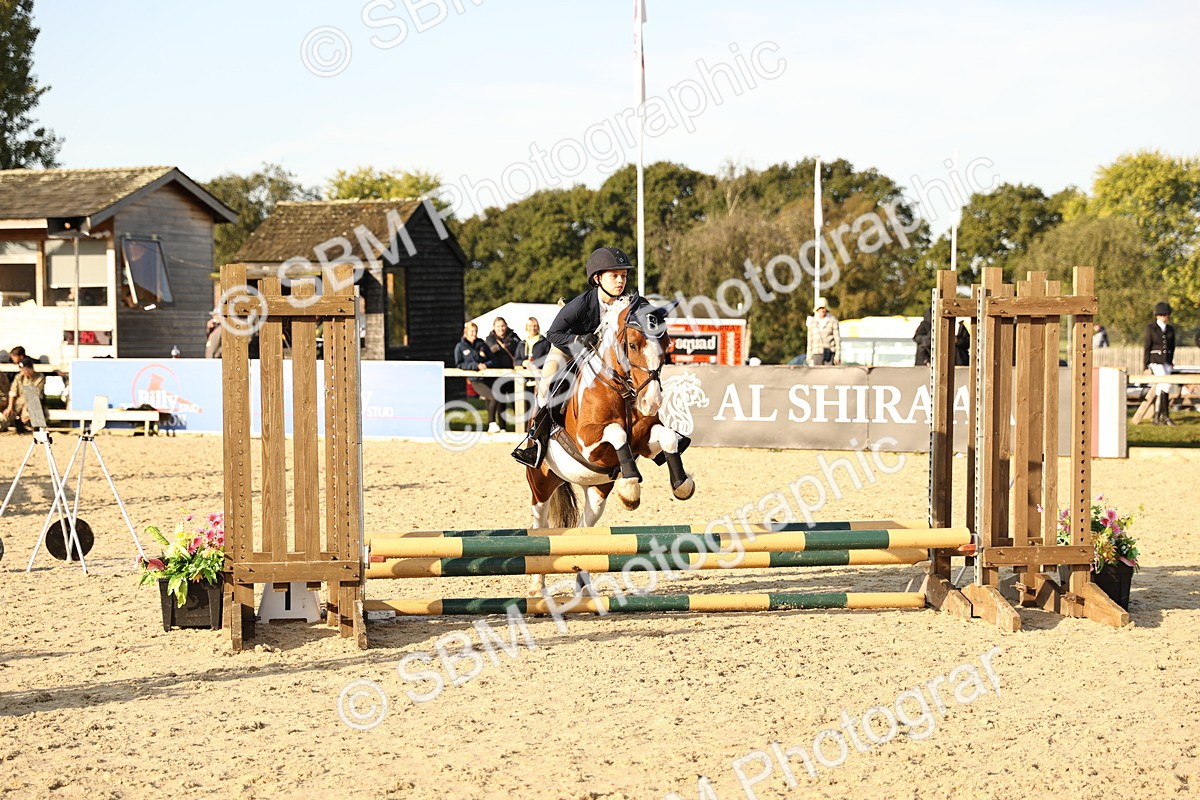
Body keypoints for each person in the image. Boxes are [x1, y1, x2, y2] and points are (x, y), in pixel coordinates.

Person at [512, 246, 643, 467]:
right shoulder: (582, 303)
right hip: (567, 351)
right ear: (597, 278)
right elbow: (553, 334)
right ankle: (534, 443)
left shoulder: (626, 303)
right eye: (615, 276)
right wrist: (578, 340)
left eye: (624, 276)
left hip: (602, 357)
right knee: (546, 386)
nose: (621, 281)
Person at [484, 317, 521, 433]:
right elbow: (488, 350)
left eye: (503, 326)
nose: (501, 328)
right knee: (500, 402)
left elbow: (520, 349)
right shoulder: (490, 339)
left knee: (516, 401)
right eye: (498, 326)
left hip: (512, 375)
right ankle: (502, 427)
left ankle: (522, 427)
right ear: (494, 327)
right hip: (497, 376)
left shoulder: (514, 337)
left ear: (506, 325)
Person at [1143, 301, 1176, 425]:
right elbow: (1147, 346)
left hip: (1166, 361)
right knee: (1165, 384)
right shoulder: (1151, 328)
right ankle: (1165, 416)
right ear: (1157, 315)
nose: (1164, 317)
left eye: (1166, 314)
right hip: (1155, 361)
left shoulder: (1170, 329)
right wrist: (1145, 365)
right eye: (1162, 314)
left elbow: (1172, 347)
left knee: (1160, 388)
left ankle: (1157, 416)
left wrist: (1171, 361)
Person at [6, 356, 45, 433]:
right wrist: (10, 407)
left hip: (34, 401)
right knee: (7, 415)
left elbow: (35, 395)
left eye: (25, 369)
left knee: (31, 410)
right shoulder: (19, 377)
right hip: (20, 401)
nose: (23, 371)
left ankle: (33, 427)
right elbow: (13, 392)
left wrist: (25, 408)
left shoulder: (39, 377)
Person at [806, 297, 840, 366]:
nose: (822, 310)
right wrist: (809, 356)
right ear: (817, 310)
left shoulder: (833, 321)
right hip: (816, 354)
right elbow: (809, 341)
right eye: (820, 308)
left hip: (829, 354)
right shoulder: (812, 322)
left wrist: (837, 355)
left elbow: (837, 339)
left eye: (824, 308)